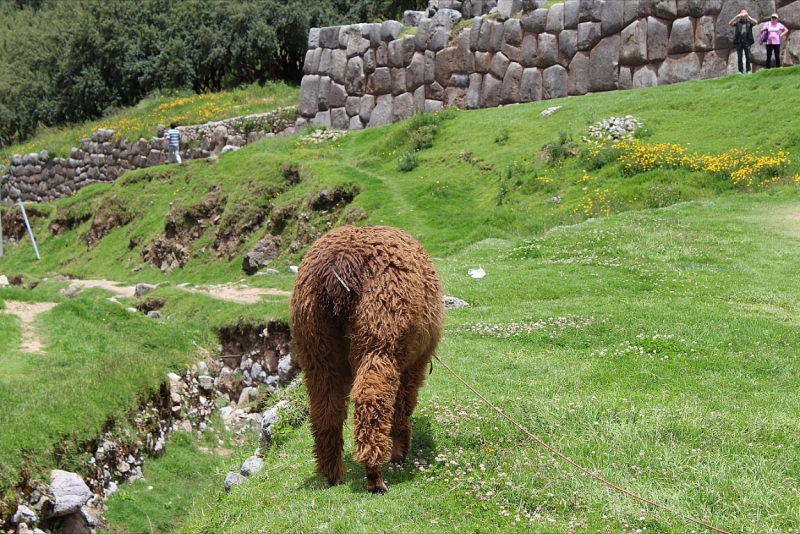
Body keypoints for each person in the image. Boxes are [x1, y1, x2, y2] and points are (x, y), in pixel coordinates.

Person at [729, 9, 758, 74]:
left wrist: (749, 17)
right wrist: (737, 16)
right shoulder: (738, 23)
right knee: (740, 57)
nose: (743, 16)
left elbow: (756, 22)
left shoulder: (749, 23)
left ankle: (748, 70)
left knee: (748, 57)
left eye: (744, 14)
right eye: (742, 14)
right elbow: (730, 23)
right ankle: (740, 71)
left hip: (747, 42)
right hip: (739, 42)